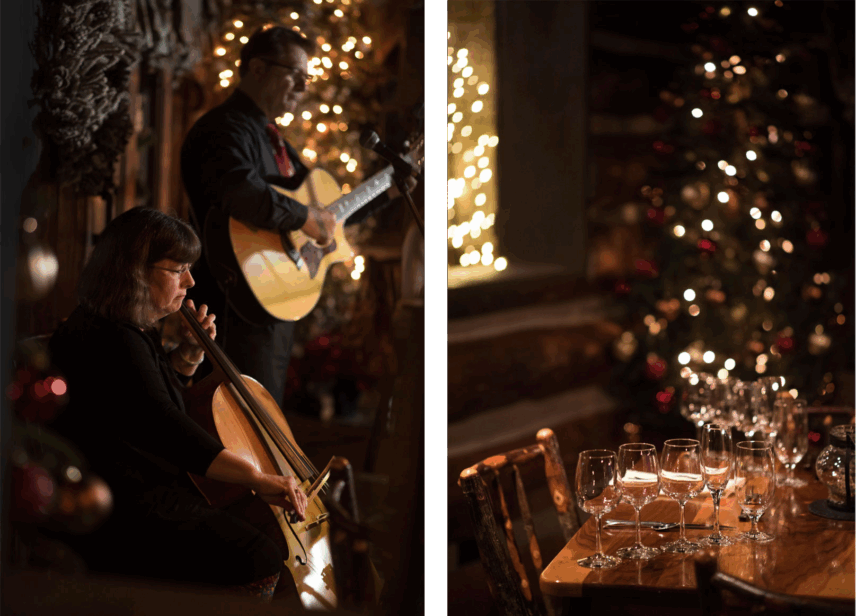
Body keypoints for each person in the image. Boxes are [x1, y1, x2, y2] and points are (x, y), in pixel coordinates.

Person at [48, 207, 307, 602]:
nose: (190, 280)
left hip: (134, 490)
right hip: (121, 509)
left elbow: (140, 397)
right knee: (261, 555)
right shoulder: (115, 338)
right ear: (134, 271)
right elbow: (164, 424)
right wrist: (256, 478)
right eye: (176, 270)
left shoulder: (120, 329)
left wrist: (186, 356)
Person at [180, 25, 414, 411]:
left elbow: (328, 215)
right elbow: (240, 192)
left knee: (265, 423)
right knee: (243, 425)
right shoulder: (222, 128)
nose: (303, 88)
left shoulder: (272, 138)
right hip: (231, 307)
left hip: (270, 303)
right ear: (257, 69)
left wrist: (391, 187)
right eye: (296, 76)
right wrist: (305, 216)